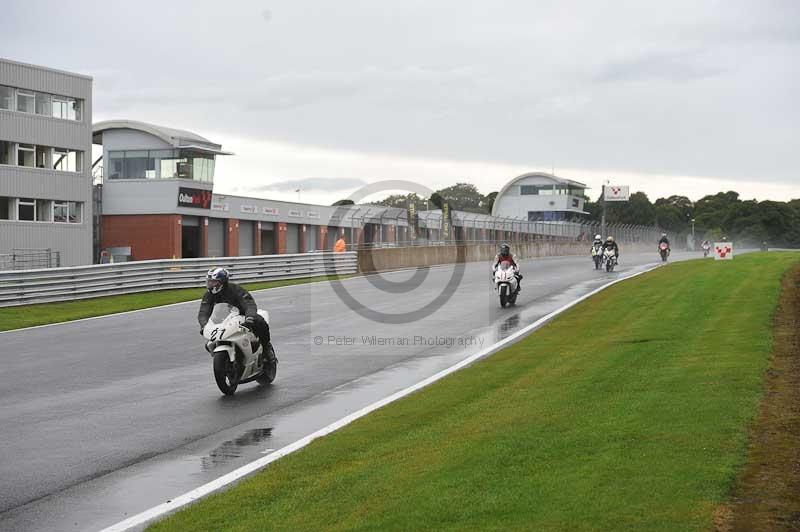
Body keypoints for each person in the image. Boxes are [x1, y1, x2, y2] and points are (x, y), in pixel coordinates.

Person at [198, 268, 276, 363]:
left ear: (222, 282)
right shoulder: (208, 295)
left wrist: (250, 317)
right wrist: (204, 325)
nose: (211, 285)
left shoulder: (236, 290)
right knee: (208, 344)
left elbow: (249, 304)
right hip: (223, 321)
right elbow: (203, 312)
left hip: (243, 316)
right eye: (209, 282)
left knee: (260, 322)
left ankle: (266, 349)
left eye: (214, 282)